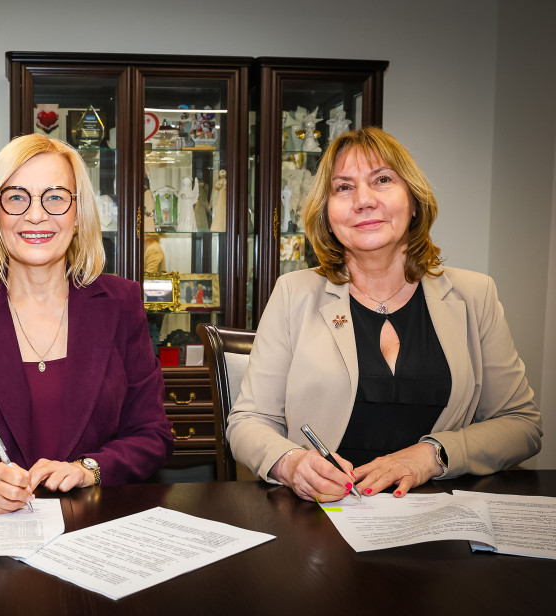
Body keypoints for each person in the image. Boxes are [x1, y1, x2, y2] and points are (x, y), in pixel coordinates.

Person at [226, 126, 541, 503]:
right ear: (327, 214)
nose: (363, 200)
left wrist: (433, 455)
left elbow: (522, 425)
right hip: (325, 510)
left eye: (382, 180)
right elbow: (248, 422)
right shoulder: (293, 293)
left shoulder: (475, 295)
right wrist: (290, 463)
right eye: (343, 187)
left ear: (414, 201)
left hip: (441, 511)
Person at [0, 134, 173, 513]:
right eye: (16, 197)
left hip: (93, 521)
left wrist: (89, 469)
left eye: (55, 197)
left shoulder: (121, 303)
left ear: (78, 214)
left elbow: (152, 433)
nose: (36, 215)